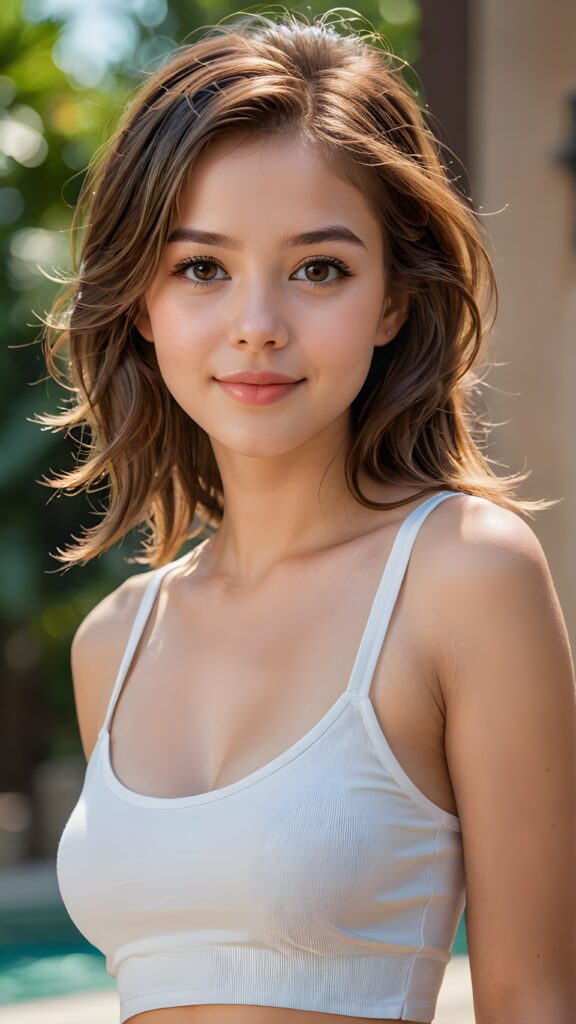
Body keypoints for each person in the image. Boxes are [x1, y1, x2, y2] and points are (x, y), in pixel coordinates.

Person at [40, 10, 575, 1024]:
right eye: (202, 267)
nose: (257, 324)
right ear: (143, 305)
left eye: (319, 268)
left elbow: (537, 998)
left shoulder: (465, 576)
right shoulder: (116, 640)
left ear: (391, 302)